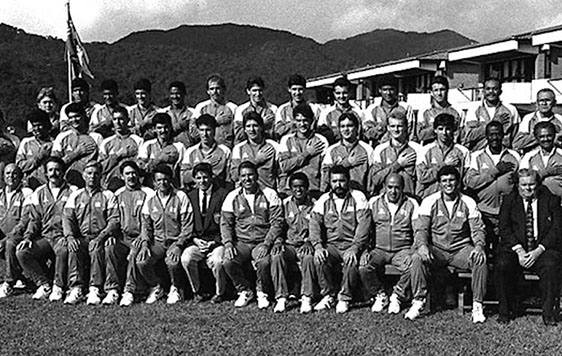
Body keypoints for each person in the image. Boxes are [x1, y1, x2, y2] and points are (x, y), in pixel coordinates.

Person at [413, 165, 488, 323]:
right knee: (417, 258)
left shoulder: (468, 202)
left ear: (458, 182)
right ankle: (418, 300)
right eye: (444, 181)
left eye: (452, 180)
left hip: (460, 249)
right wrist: (422, 246)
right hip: (438, 249)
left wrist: (479, 246)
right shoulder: (429, 201)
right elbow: (421, 229)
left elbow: (477, 229)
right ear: (439, 183)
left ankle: (477, 305)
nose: (448, 184)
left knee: (480, 259)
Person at [496, 169, 562, 326]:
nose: (528, 188)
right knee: (502, 264)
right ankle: (505, 311)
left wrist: (538, 250)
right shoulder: (509, 200)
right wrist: (519, 250)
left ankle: (548, 313)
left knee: (552, 264)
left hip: (542, 248)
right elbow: (504, 228)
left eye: (531, 184)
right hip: (516, 248)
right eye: (524, 185)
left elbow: (557, 229)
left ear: (538, 184)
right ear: (518, 185)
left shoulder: (551, 200)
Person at [220, 161, 288, 311]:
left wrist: (267, 243)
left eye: (250, 175)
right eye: (243, 176)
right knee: (228, 261)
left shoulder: (270, 194)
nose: (247, 179)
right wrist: (228, 244)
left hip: (261, 241)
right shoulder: (232, 196)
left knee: (263, 261)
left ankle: (261, 291)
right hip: (242, 241)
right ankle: (244, 290)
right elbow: (225, 223)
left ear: (257, 176)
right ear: (239, 178)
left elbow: (277, 222)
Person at [61, 161, 124, 306]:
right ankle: (76, 288)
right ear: (83, 175)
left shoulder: (107, 195)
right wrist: (70, 237)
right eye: (89, 173)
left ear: (101, 176)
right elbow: (67, 218)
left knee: (96, 248)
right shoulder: (76, 195)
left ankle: (95, 288)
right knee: (74, 247)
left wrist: (102, 237)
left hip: (101, 236)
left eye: (96, 173)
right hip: (82, 237)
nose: (92, 176)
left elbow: (114, 220)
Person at [309, 165, 370, 313]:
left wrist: (356, 247)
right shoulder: (324, 200)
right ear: (329, 182)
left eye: (342, 181)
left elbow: (364, 224)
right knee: (320, 257)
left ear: (348, 181)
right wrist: (317, 246)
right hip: (333, 245)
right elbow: (314, 224)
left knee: (351, 259)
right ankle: (328, 295)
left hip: (352, 243)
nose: (338, 185)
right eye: (334, 181)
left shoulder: (358, 197)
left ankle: (344, 297)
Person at [359, 174, 422, 317]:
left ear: (402, 188)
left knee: (413, 266)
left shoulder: (411, 204)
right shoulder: (374, 202)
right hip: (379, 249)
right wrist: (365, 250)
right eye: (390, 187)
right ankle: (380, 294)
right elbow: (365, 229)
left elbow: (418, 230)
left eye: (397, 188)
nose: (393, 191)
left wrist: (413, 251)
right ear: (384, 187)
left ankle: (397, 295)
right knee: (364, 266)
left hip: (402, 249)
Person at [16, 157, 77, 301]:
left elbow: (74, 218)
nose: (54, 173)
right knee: (22, 252)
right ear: (46, 173)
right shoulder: (39, 192)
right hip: (45, 236)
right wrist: (28, 237)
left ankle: (58, 286)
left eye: (57, 170)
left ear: (63, 172)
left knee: (63, 250)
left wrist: (69, 235)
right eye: (50, 170)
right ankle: (43, 284)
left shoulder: (72, 191)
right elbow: (35, 219)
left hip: (62, 236)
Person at [137, 164, 194, 304]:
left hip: (176, 241)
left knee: (173, 262)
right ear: (154, 182)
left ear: (171, 180)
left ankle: (176, 288)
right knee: (141, 261)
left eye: (166, 179)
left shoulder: (181, 196)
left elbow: (187, 226)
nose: (163, 183)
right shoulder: (150, 199)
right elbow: (146, 225)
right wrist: (145, 244)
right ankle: (157, 286)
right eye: (159, 180)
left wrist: (179, 245)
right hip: (157, 242)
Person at [465, 121, 520, 252]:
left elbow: (520, 182)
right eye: (491, 134)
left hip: (506, 213)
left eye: (498, 134)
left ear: (503, 135)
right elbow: (471, 182)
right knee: (484, 249)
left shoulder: (514, 156)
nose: (495, 137)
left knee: (502, 252)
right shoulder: (476, 156)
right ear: (486, 136)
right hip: (484, 212)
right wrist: (495, 171)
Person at [180, 163, 229, 303]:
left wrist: (215, 242)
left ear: (212, 177)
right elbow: (188, 223)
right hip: (197, 241)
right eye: (199, 178)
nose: (202, 181)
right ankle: (198, 291)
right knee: (186, 258)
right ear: (194, 180)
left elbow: (226, 224)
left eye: (205, 177)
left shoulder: (222, 195)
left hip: (217, 241)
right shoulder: (190, 197)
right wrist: (195, 239)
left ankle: (220, 292)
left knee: (218, 261)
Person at [112, 161, 155, 307]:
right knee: (109, 249)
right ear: (122, 176)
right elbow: (115, 219)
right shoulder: (118, 194)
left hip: (141, 237)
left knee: (134, 253)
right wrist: (113, 237)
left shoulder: (148, 193)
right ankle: (112, 289)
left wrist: (142, 239)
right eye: (127, 174)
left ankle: (129, 291)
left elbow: (148, 221)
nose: (131, 176)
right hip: (123, 237)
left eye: (133, 173)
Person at [282, 172, 318, 313]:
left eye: (302, 186)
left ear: (307, 188)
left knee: (308, 258)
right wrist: (279, 241)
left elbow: (319, 228)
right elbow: (280, 226)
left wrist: (309, 241)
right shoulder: (285, 204)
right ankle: (281, 297)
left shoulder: (315, 205)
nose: (298, 190)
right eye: (295, 187)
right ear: (290, 189)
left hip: (307, 244)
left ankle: (306, 297)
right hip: (289, 244)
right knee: (277, 256)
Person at [278, 103, 328, 197]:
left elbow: (324, 170)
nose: (302, 124)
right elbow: (284, 166)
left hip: (313, 190)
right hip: (291, 190)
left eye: (305, 120)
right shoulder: (286, 140)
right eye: (299, 121)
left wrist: (322, 192)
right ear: (294, 121)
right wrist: (306, 153)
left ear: (311, 121)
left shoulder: (320, 140)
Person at [416, 113, 470, 199]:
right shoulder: (425, 151)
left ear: (453, 130)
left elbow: (466, 179)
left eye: (448, 129)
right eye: (440, 129)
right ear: (435, 130)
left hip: (453, 199)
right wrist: (444, 164)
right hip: (429, 197)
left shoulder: (463, 151)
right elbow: (422, 177)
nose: (444, 133)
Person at [0, 164, 33, 298]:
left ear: (20, 176)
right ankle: (19, 276)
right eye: (7, 173)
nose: (11, 176)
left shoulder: (26, 193)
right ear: (3, 176)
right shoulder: (0, 194)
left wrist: (6, 238)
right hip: (2, 235)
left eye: (14, 173)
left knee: (10, 244)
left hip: (18, 235)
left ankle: (8, 282)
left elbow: (24, 220)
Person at [369, 111, 420, 196]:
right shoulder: (380, 149)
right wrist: (398, 164)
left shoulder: (416, 149)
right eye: (392, 126)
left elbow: (419, 179)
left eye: (399, 126)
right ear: (388, 128)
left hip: (409, 198)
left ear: (406, 127)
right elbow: (376, 179)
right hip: (387, 199)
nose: (396, 130)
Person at [52, 102, 102, 188]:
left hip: (90, 183)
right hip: (66, 184)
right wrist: (75, 154)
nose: (74, 120)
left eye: (77, 116)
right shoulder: (61, 137)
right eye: (71, 118)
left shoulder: (96, 137)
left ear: (84, 116)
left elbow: (101, 162)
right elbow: (54, 163)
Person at [462, 77, 520, 151]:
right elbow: (469, 136)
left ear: (500, 91)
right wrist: (492, 123)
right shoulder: (474, 109)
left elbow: (515, 135)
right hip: (479, 153)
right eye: (488, 89)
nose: (491, 92)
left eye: (495, 89)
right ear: (483, 91)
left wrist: (480, 125)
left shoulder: (511, 110)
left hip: (503, 153)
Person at [321, 112, 373, 193]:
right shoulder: (332, 150)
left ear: (357, 128)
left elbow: (371, 177)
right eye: (343, 126)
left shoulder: (367, 149)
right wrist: (346, 163)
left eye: (350, 126)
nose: (346, 129)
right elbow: (325, 177)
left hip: (359, 195)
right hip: (337, 195)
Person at [137, 112, 188, 188]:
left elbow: (181, 170)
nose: (163, 130)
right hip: (151, 187)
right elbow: (141, 168)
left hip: (172, 187)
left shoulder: (179, 146)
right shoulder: (148, 145)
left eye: (166, 127)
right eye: (159, 128)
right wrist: (158, 159)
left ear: (171, 127)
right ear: (154, 129)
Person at [231, 111, 279, 190]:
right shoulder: (238, 149)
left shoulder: (273, 146)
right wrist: (255, 161)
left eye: (255, 126)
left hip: (268, 192)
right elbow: (234, 176)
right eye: (248, 126)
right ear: (244, 129)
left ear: (261, 127)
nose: (252, 129)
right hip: (246, 193)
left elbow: (280, 173)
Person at [99, 106, 143, 191]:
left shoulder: (138, 140)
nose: (118, 122)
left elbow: (140, 165)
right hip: (111, 184)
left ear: (128, 120)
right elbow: (102, 168)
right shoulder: (106, 142)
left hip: (133, 183)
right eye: (115, 119)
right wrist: (117, 155)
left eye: (121, 119)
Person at [363, 74, 414, 146]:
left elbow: (411, 131)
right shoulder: (372, 109)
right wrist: (381, 127)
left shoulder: (405, 108)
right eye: (385, 90)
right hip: (379, 149)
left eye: (391, 89)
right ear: (379, 90)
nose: (388, 93)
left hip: (401, 147)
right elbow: (367, 134)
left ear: (396, 90)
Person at [183, 114, 231, 189]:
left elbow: (228, 178)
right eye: (202, 130)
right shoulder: (190, 151)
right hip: (196, 191)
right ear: (198, 131)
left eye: (208, 130)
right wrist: (202, 166)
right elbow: (184, 178)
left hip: (217, 192)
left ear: (214, 131)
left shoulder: (225, 151)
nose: (204, 134)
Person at [193, 74, 238, 148]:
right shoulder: (200, 107)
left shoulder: (233, 108)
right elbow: (193, 133)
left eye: (218, 88)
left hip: (227, 148)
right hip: (206, 150)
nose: (215, 91)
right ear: (208, 91)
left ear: (223, 89)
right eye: (212, 89)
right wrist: (214, 121)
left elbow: (237, 133)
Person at [513, 88, 562, 154]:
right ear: (537, 103)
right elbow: (517, 144)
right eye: (541, 100)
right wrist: (547, 136)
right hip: (532, 157)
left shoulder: (559, 119)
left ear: (554, 102)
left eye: (547, 100)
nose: (544, 103)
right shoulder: (528, 118)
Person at [519, 121, 562, 197]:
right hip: (538, 201)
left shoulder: (560, 153)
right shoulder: (529, 156)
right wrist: (546, 172)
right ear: (536, 138)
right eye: (542, 136)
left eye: (549, 136)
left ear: (554, 135)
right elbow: (524, 180)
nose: (545, 139)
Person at [317, 76, 364, 145]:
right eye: (338, 93)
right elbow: (322, 135)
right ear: (333, 93)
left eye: (345, 93)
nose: (341, 96)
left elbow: (362, 133)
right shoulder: (326, 113)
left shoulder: (358, 112)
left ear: (350, 93)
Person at [416, 76, 462, 145]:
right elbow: (420, 135)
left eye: (442, 89)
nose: (439, 93)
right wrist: (437, 126)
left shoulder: (456, 112)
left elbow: (459, 135)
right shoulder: (425, 112)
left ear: (447, 90)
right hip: (430, 150)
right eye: (436, 90)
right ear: (431, 92)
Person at [16, 109, 54, 189]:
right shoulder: (26, 142)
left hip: (48, 187)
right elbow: (19, 166)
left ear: (47, 124)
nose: (37, 129)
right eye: (34, 126)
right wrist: (39, 157)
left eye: (40, 125)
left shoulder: (54, 143)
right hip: (28, 187)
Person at [233, 76, 277, 144]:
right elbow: (238, 134)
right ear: (248, 91)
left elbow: (276, 133)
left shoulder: (273, 109)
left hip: (267, 145)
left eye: (260, 90)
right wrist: (262, 124)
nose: (258, 94)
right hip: (247, 147)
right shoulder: (241, 110)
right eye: (254, 90)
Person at [274, 74, 318, 140]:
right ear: (289, 89)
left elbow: (316, 129)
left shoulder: (314, 108)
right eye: (294, 89)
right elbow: (277, 132)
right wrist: (293, 124)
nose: (297, 93)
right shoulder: (282, 110)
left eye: (300, 89)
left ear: (305, 89)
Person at [162, 81, 197, 149]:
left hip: (187, 149)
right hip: (169, 149)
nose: (175, 97)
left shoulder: (192, 113)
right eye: (172, 94)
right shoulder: (164, 112)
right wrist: (179, 126)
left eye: (178, 94)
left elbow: (196, 133)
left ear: (184, 94)